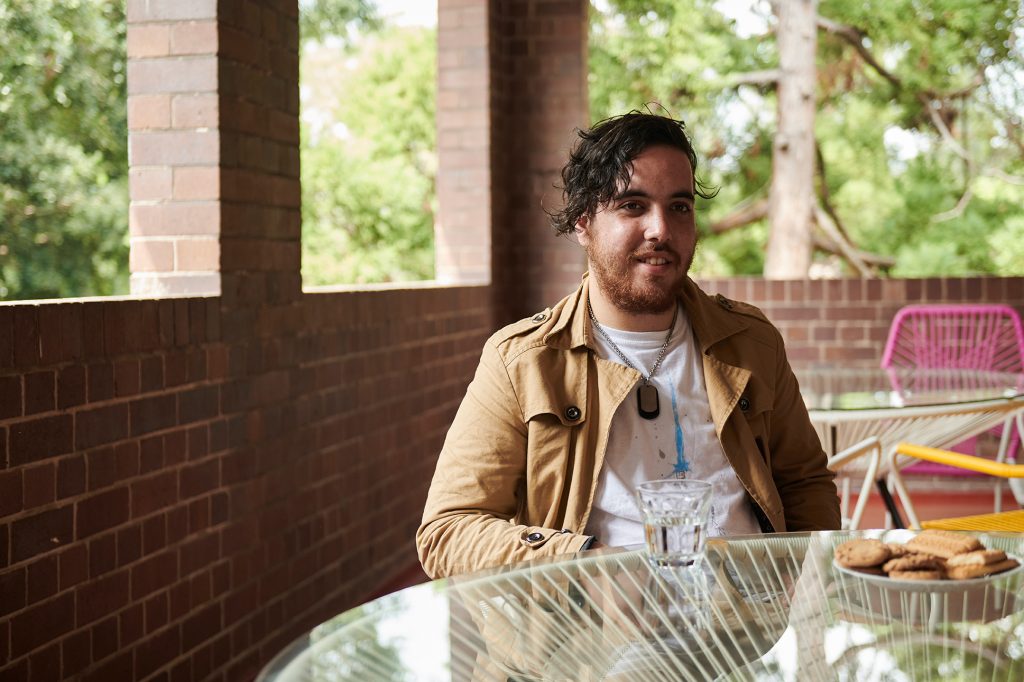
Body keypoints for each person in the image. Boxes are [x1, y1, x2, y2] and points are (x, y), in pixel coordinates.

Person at [416, 111, 840, 579]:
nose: (660, 229)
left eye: (679, 206)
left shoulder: (751, 342)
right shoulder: (524, 363)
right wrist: (582, 564)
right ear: (583, 223)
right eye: (632, 205)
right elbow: (447, 532)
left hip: (742, 627)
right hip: (592, 635)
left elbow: (805, 486)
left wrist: (795, 595)